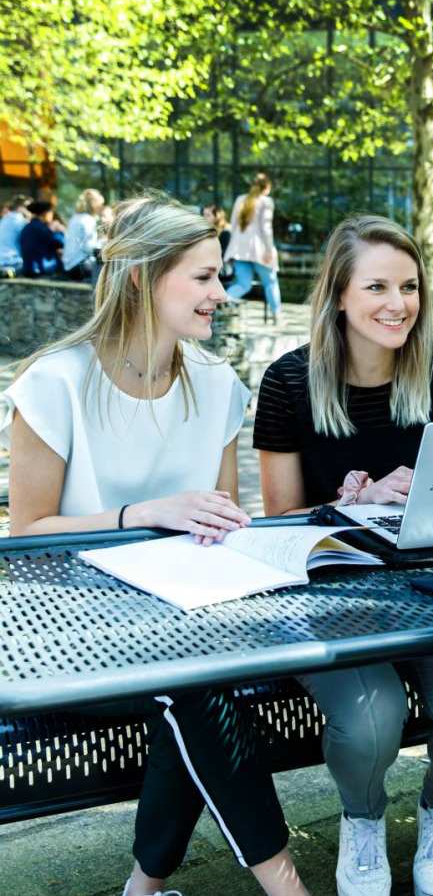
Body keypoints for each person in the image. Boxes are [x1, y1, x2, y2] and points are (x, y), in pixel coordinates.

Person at [1, 196, 309, 896]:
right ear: (142, 276)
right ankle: (282, 884)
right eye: (203, 277)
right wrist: (145, 514)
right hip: (72, 631)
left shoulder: (218, 386)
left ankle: (145, 888)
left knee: (196, 678)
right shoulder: (55, 383)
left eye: (220, 276)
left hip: (189, 620)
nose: (220, 295)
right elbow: (25, 537)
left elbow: (223, 523)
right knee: (197, 682)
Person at [254, 214, 433, 896]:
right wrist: (348, 507)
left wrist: (425, 492)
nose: (398, 303)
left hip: (429, 586)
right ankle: (362, 820)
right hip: (329, 594)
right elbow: (275, 521)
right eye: (376, 286)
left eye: (409, 285)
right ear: (338, 294)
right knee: (371, 716)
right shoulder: (288, 382)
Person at [225, 173, 282, 320]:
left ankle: (221, 302)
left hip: (239, 250)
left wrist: (231, 249)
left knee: (243, 285)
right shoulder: (266, 201)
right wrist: (270, 249)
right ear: (267, 187)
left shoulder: (240, 199)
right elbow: (266, 228)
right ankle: (277, 316)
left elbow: (233, 225)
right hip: (260, 250)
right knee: (270, 282)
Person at [62, 188, 105, 281]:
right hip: (79, 266)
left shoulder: (75, 217)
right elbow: (88, 247)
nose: (101, 207)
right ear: (95, 204)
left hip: (69, 266)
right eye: (101, 204)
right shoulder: (88, 220)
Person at [19, 200, 64, 276]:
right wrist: (61, 230)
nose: (52, 215)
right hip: (42, 269)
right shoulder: (42, 229)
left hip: (28, 269)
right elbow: (61, 243)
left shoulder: (26, 228)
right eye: (51, 212)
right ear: (45, 213)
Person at [0, 194, 30, 271]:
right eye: (29, 208)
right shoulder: (19, 221)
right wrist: (30, 216)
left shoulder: (5, 219)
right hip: (12, 262)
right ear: (21, 208)